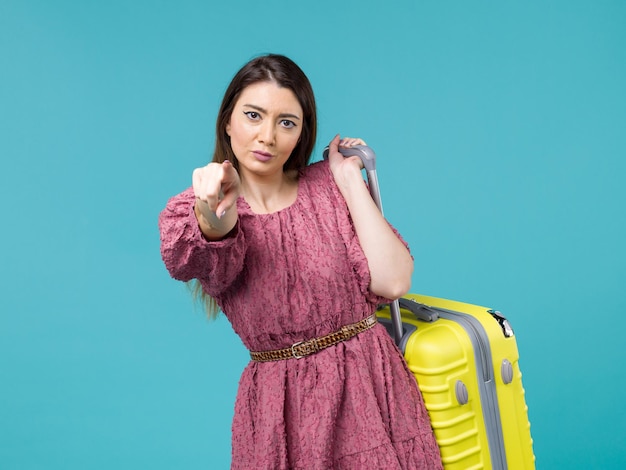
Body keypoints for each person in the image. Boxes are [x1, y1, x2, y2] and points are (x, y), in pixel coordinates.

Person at [158, 54, 442, 469]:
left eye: (286, 122)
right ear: (228, 121)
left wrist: (346, 180)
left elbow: (394, 280)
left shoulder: (327, 185)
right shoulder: (207, 208)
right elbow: (203, 244)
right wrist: (211, 211)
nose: (267, 136)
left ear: (301, 133)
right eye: (253, 115)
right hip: (283, 412)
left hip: (373, 389)